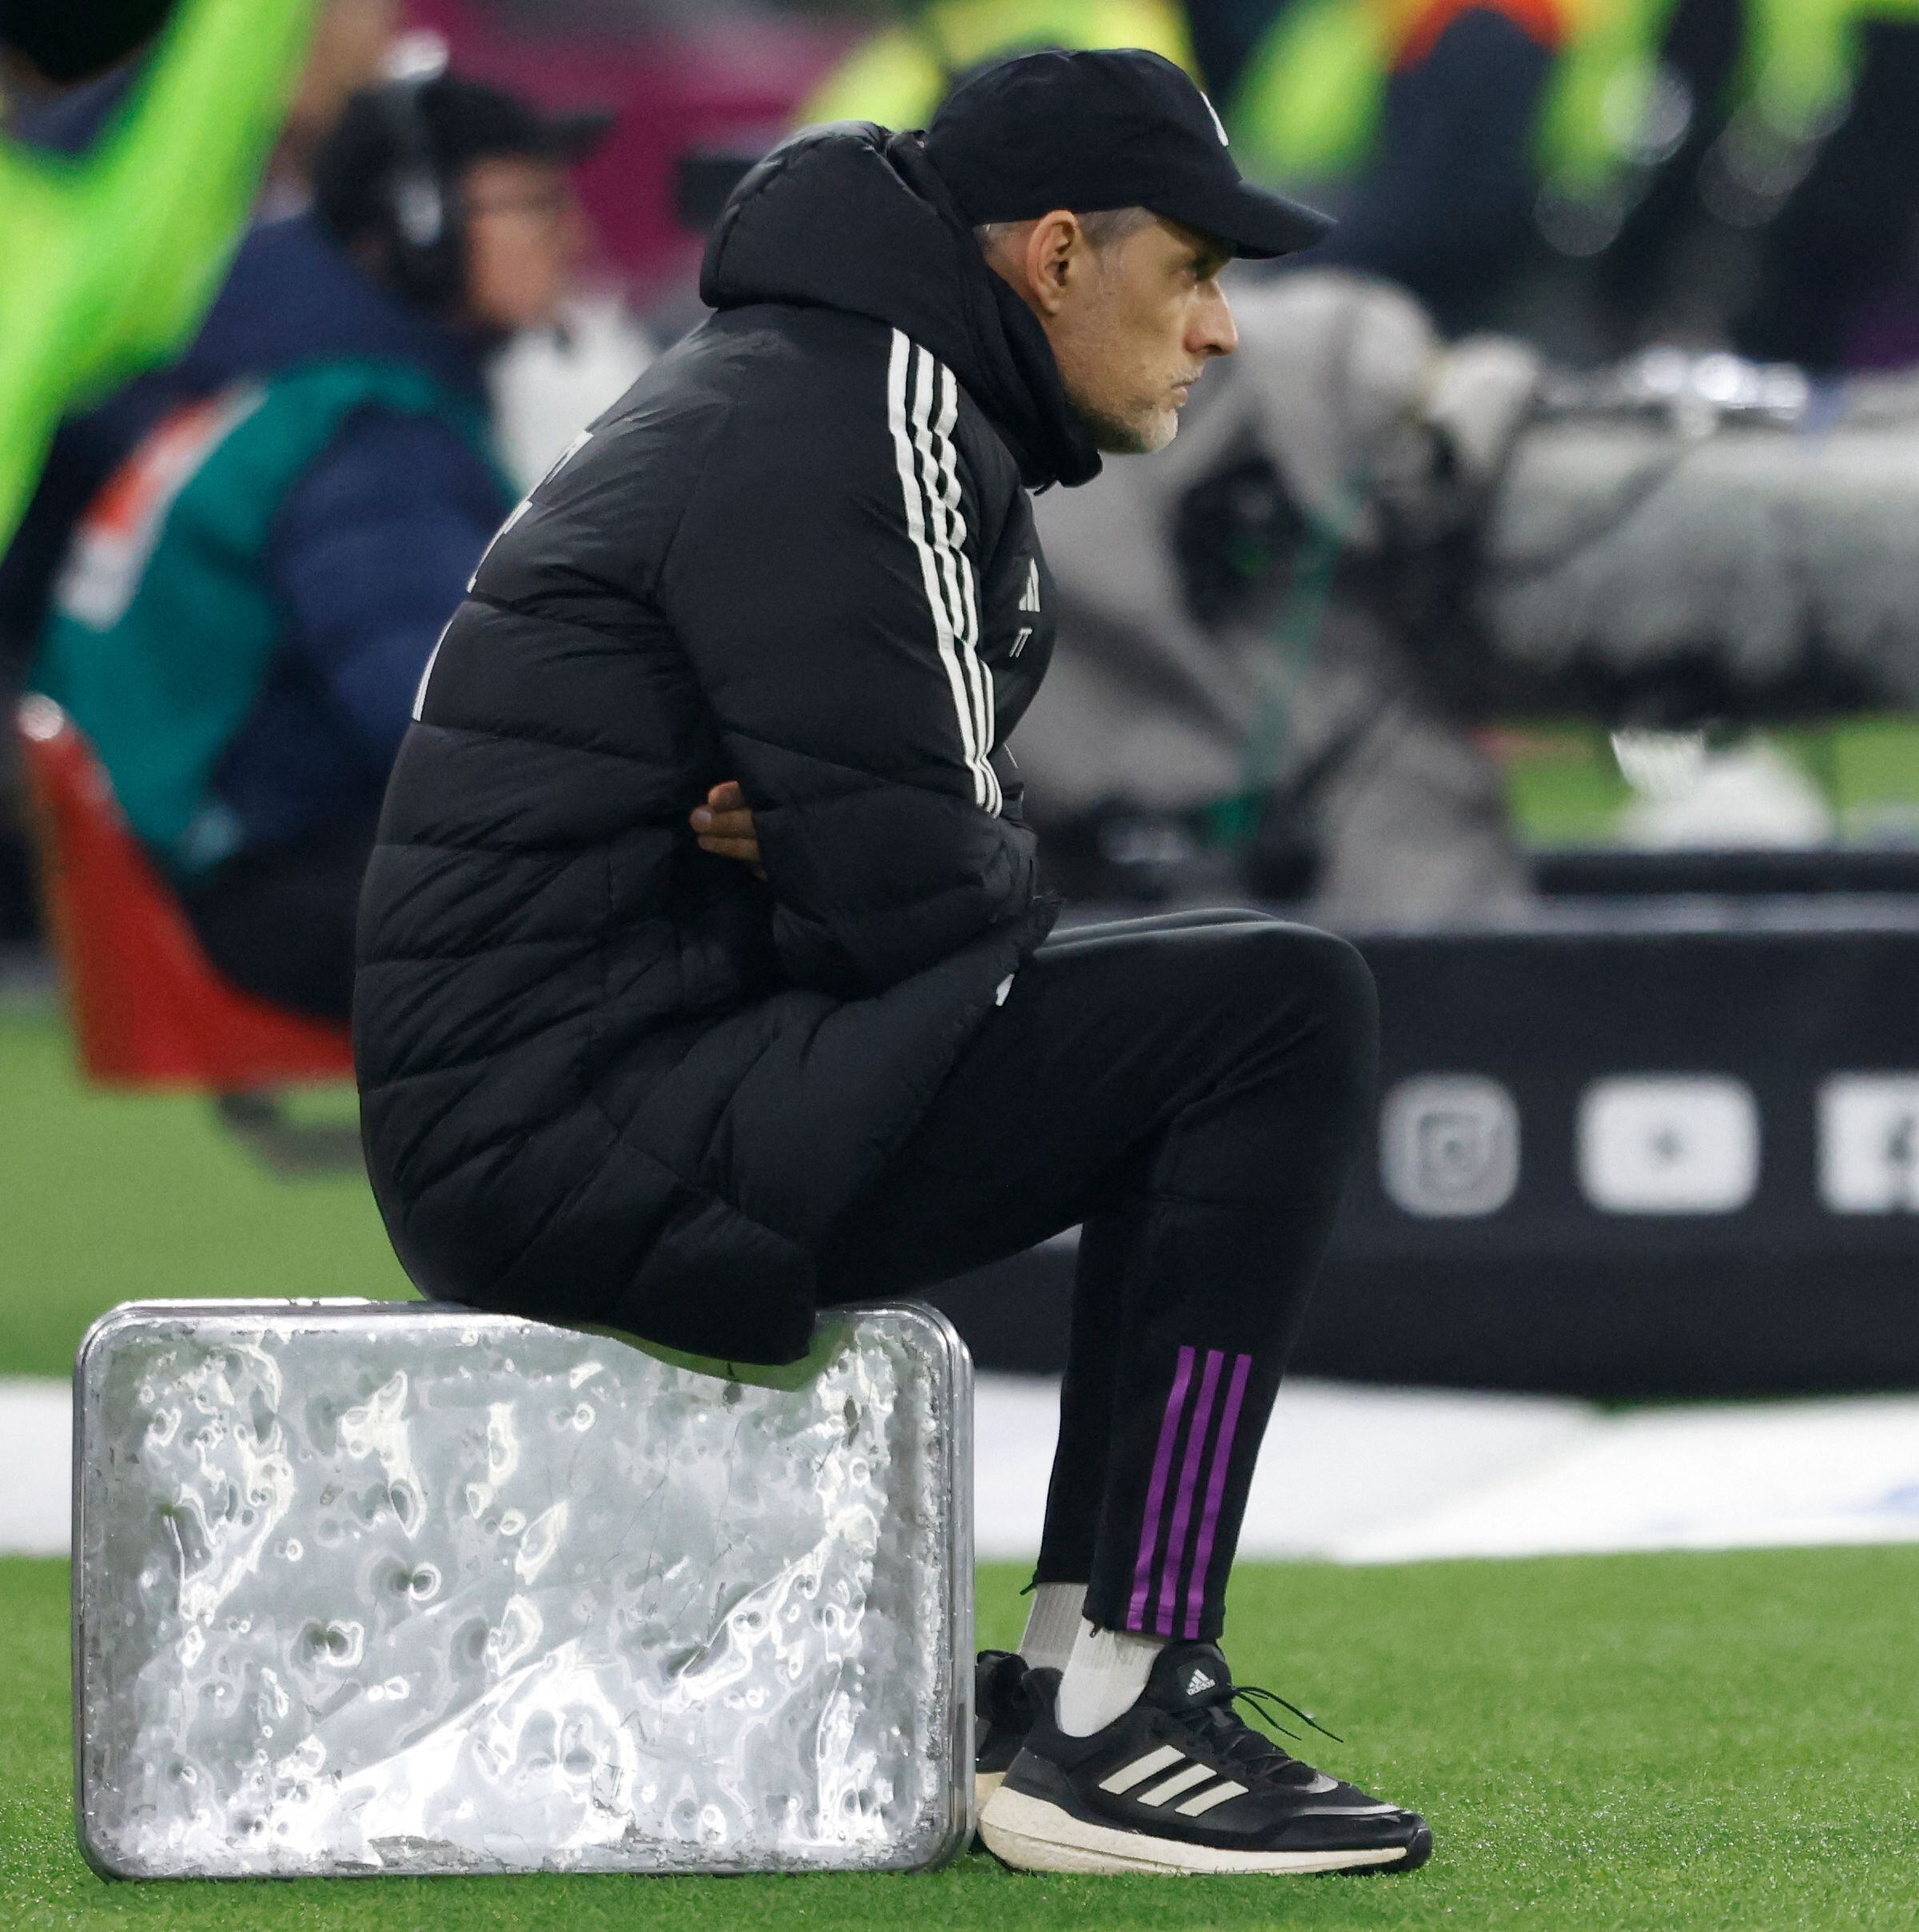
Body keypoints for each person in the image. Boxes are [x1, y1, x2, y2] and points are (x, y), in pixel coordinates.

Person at [355, 49, 1429, 1877]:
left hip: (591, 1080)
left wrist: (873, 853)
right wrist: (878, 860)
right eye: (1194, 273)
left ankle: (1072, 1684)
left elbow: (906, 860)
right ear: (1060, 256)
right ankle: (1127, 1702)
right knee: (1267, 1015)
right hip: (575, 1122)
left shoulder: (836, 382)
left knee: (1203, 1011)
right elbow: (929, 903)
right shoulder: (866, 407)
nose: (1221, 332)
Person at [26, 70, 590, 1019]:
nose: (569, 236)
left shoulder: (312, 386)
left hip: (238, 850)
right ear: (418, 223)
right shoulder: (370, 432)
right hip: (272, 876)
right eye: (532, 204)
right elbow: (437, 713)